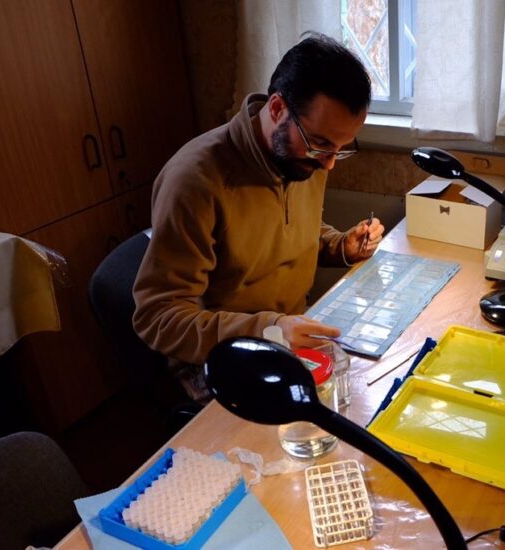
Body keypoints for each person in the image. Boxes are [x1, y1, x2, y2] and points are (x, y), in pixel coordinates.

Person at [133, 32, 384, 400]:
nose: (329, 163)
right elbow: (158, 317)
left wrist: (340, 245)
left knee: (369, 390)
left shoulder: (300, 159)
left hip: (290, 335)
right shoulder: (196, 180)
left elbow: (289, 231)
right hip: (218, 360)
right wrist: (271, 330)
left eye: (341, 149)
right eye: (321, 144)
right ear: (278, 108)